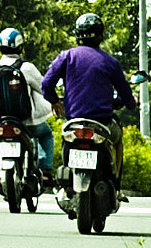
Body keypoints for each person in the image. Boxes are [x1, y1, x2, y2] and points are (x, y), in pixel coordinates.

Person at [42, 13, 144, 189]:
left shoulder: (66, 56)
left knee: (64, 140)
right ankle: (117, 185)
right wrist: (131, 103)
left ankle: (66, 183)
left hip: (74, 122)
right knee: (118, 140)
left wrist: (54, 100)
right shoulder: (110, 62)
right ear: (100, 35)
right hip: (102, 124)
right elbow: (126, 94)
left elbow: (46, 83)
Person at [0, 27, 56, 182]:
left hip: (1, 119)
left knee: (0, 134)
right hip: (27, 121)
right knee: (46, 135)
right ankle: (45, 170)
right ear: (20, 47)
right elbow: (44, 88)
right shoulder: (27, 67)